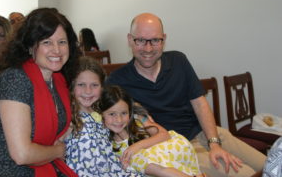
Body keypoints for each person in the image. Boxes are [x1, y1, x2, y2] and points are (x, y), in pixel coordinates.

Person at [106, 12, 266, 177]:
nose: (148, 48)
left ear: (164, 39)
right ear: (129, 39)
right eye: (140, 40)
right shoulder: (118, 81)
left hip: (207, 132)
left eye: (155, 40)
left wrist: (214, 144)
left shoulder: (178, 61)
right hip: (177, 149)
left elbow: (199, 103)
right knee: (246, 174)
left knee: (269, 165)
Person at [0, 8, 79, 176]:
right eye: (47, 42)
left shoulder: (57, 80)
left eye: (62, 42)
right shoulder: (15, 79)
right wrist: (57, 150)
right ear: (29, 46)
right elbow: (22, 154)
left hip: (43, 165)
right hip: (8, 171)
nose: (57, 50)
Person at [97, 85, 206, 177]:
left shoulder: (138, 120)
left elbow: (164, 135)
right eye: (112, 114)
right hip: (158, 167)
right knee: (136, 160)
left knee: (139, 158)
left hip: (173, 149)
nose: (119, 120)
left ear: (130, 112)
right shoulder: (104, 138)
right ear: (101, 114)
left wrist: (137, 146)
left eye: (124, 113)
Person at [64, 56, 144, 177]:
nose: (88, 91)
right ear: (72, 86)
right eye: (81, 84)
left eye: (94, 85)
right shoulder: (69, 117)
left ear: (102, 87)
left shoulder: (101, 111)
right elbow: (56, 149)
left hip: (114, 170)